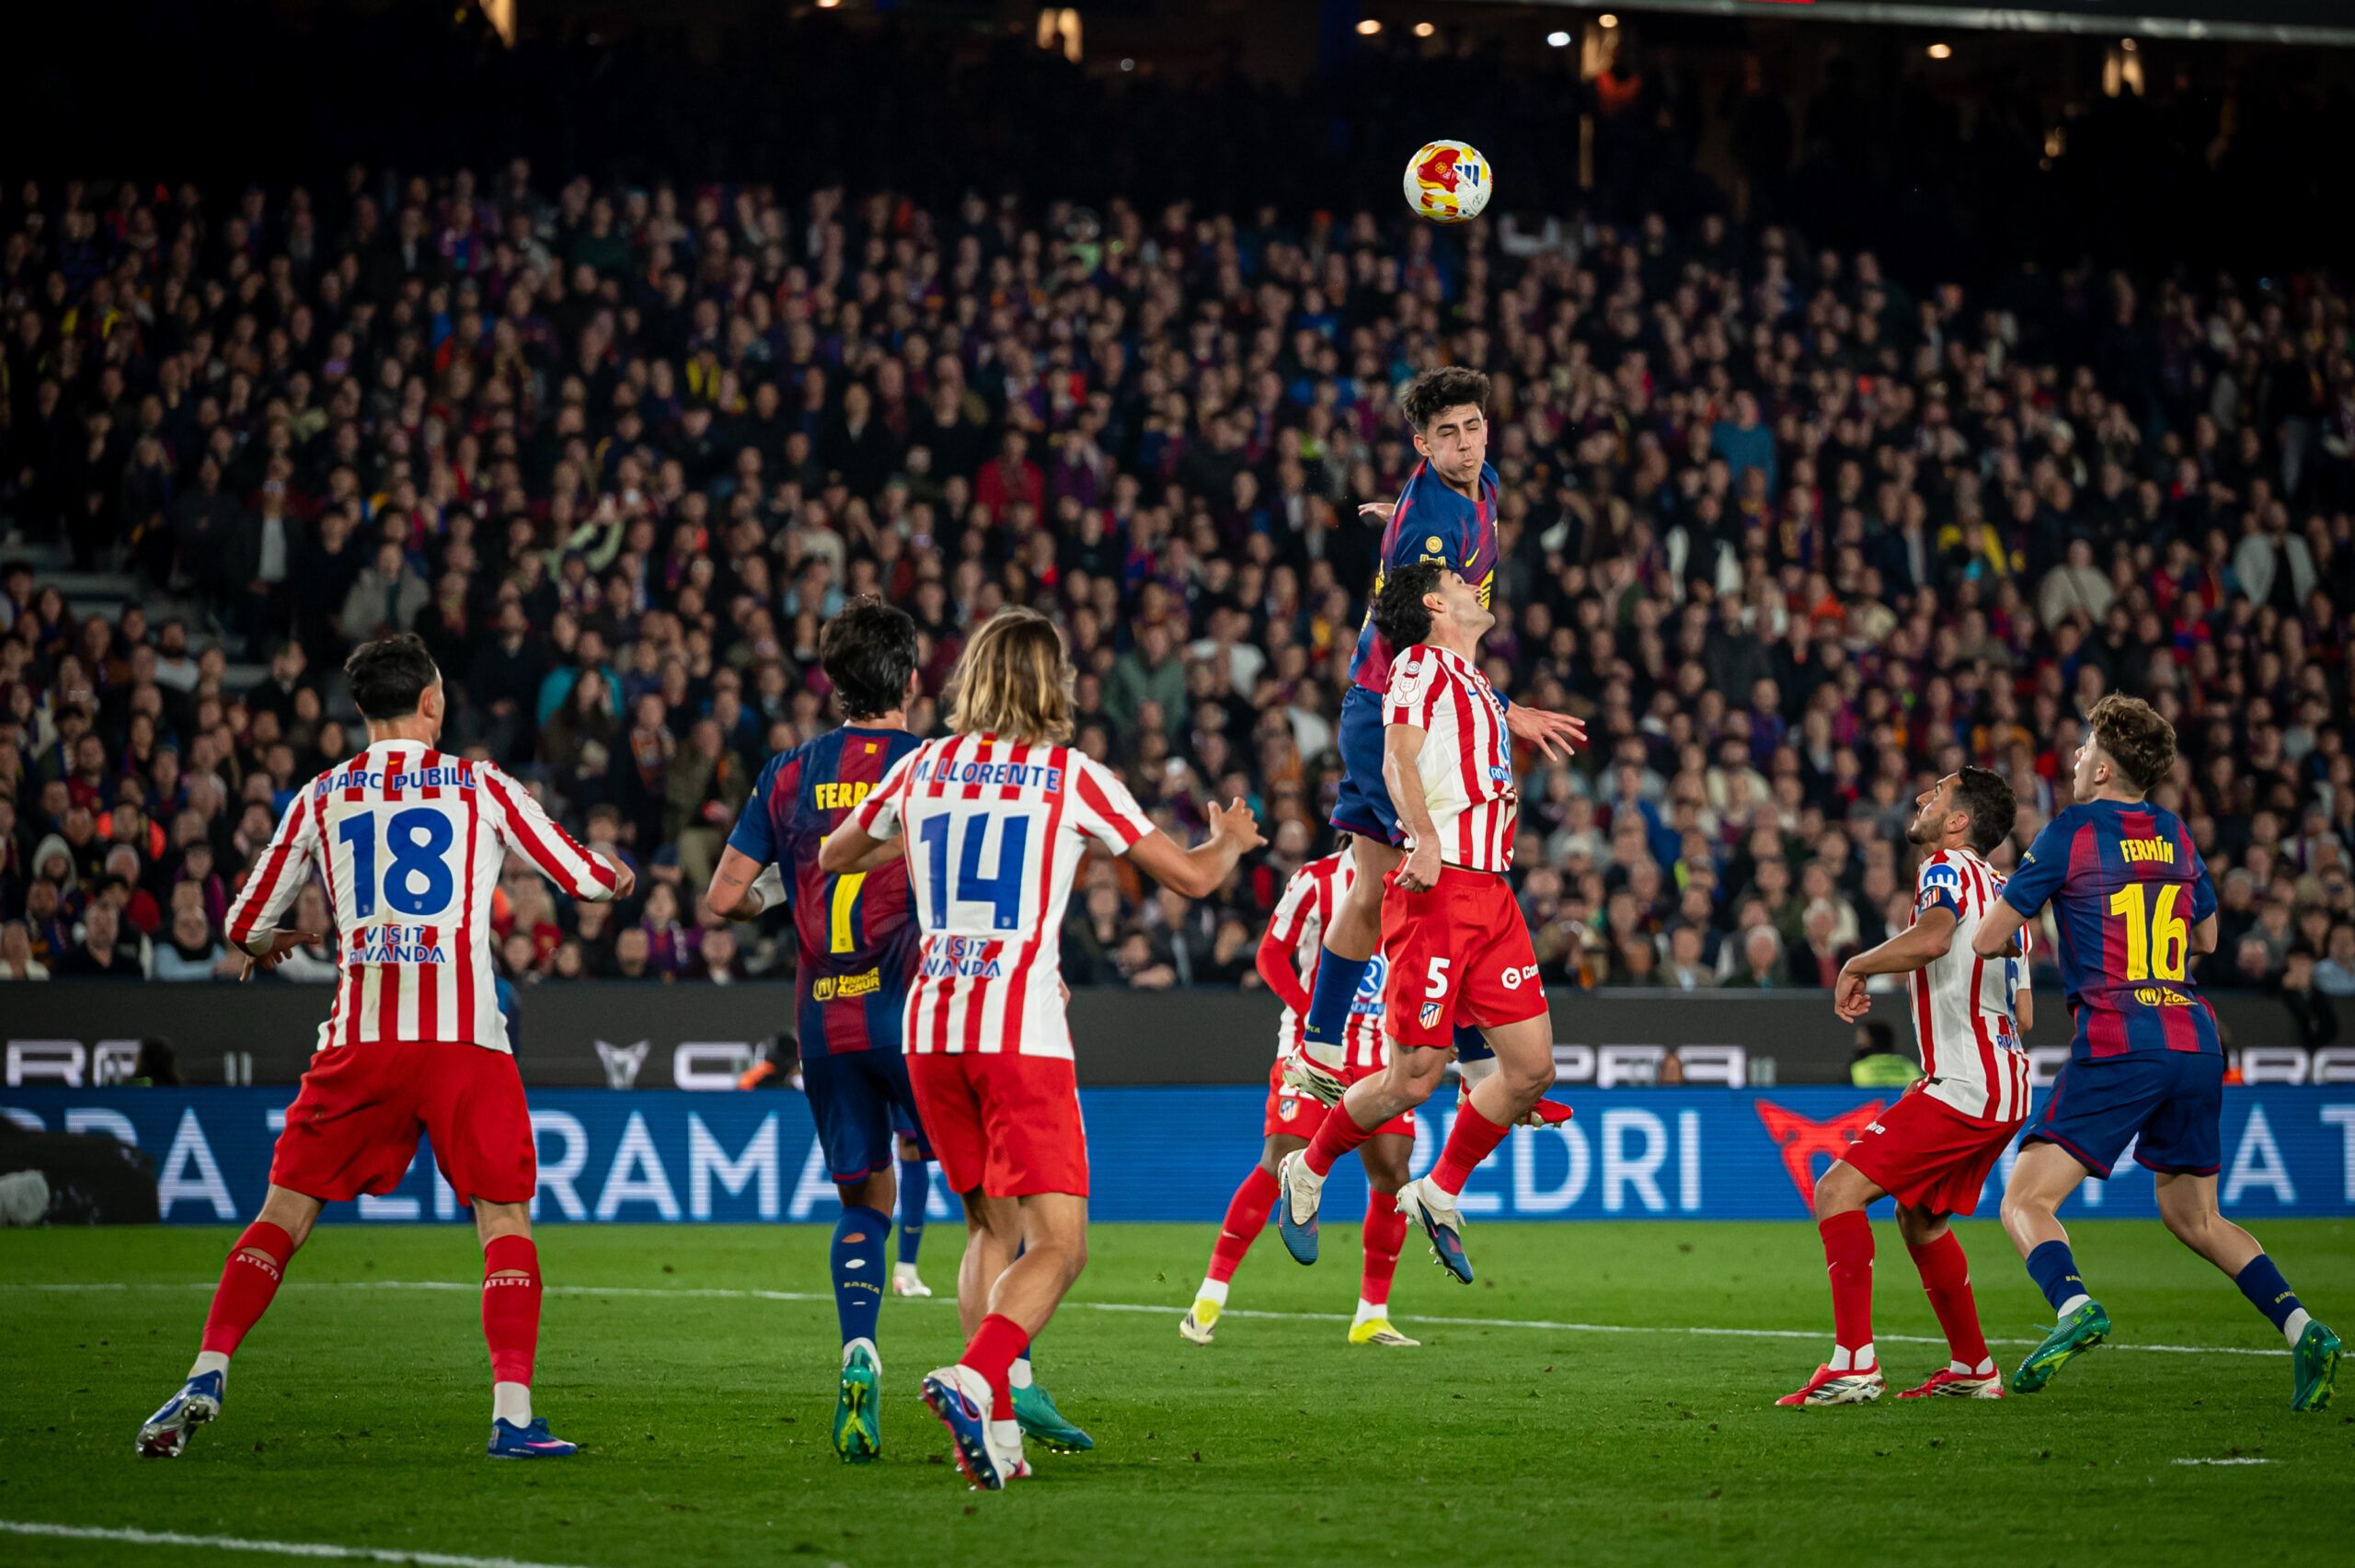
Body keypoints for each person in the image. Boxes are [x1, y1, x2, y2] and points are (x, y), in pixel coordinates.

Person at [136, 633, 634, 1461]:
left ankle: (206, 1369)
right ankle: (512, 1416)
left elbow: (243, 921)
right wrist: (616, 875)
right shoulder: (480, 784)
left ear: (362, 709)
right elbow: (582, 876)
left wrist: (266, 944)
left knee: (283, 1212)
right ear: (432, 701)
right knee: (502, 1217)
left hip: (361, 1038)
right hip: (465, 1039)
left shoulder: (321, 794)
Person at [820, 606, 1263, 1491]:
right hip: (1017, 1028)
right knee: (1060, 1246)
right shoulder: (1071, 775)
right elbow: (1192, 877)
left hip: (930, 1026)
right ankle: (973, 1378)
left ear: (974, 678)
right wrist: (1232, 842)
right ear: (1052, 684)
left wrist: (923, 844)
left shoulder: (925, 766)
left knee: (991, 1227)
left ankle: (998, 1431)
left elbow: (836, 855)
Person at [705, 596, 1080, 1462]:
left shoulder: (787, 774)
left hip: (823, 1016)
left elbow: (724, 896)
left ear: (833, 681)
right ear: (911, 680)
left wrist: (786, 889)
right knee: (998, 1210)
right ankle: (1007, 1383)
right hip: (919, 1011)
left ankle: (859, 1356)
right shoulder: (934, 762)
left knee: (864, 1203)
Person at [1974, 694, 2339, 1410]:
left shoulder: (2071, 830)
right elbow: (2206, 938)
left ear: (2102, 769)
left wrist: (2050, 907)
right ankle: (2304, 1328)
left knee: (2025, 1197)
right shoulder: (2173, 831)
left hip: (2120, 1033)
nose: (2076, 755)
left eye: (2084, 746)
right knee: (2194, 1216)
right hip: (2194, 1035)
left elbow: (1991, 937)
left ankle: (2074, 1305)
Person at [1289, 367, 1582, 1107]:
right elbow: (1418, 638)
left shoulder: (1476, 487)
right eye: (1446, 435)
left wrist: (1402, 522)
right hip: (1400, 704)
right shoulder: (1431, 525)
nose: (1466, 444)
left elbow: (1441, 544)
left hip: (1396, 699)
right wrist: (1503, 706)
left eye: (1473, 426)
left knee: (1372, 883)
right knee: (1443, 875)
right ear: (1422, 444)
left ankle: (1320, 1048)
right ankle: (1480, 1066)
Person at [1274, 561, 1561, 1288]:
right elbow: (1397, 757)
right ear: (1435, 603)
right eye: (1459, 581)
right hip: (1437, 891)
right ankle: (1307, 1169)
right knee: (1412, 1078)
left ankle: (1436, 1192)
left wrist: (1515, 712)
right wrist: (1424, 838)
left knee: (1532, 1070)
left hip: (1492, 894)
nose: (1474, 584)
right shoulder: (1416, 667)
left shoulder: (1475, 682)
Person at [1779, 768, 2030, 1406]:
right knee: (1920, 1220)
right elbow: (2024, 1013)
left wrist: (1857, 962)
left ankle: (1854, 1363)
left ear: (1958, 822)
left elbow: (1935, 937)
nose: (1922, 798)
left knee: (1837, 1190)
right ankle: (1974, 1366)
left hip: (1966, 1082)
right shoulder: (2010, 895)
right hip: (2007, 1082)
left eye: (1937, 793)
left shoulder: (1944, 866)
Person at [1179, 839, 1419, 1352]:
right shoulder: (1316, 880)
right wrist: (1314, 1014)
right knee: (1281, 1158)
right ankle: (1211, 1294)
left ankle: (1372, 1314)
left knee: (1393, 1173)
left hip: (1381, 1050)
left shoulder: (1413, 880)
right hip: (1312, 1047)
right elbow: (1271, 955)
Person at [1847, 1021, 1918, 1087]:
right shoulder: (1909, 1065)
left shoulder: (1855, 1068)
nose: (1857, 1043)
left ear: (1871, 1040)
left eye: (1860, 1038)